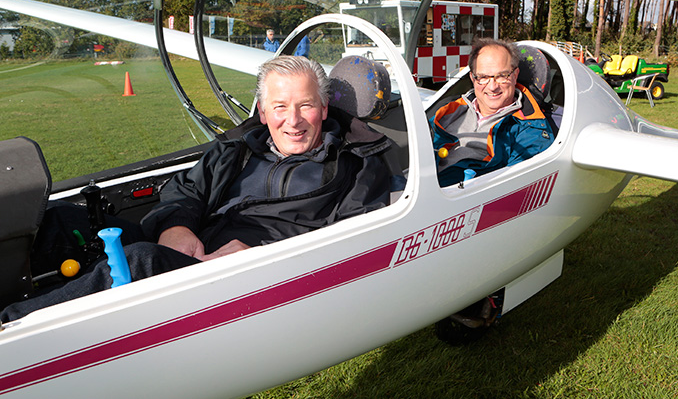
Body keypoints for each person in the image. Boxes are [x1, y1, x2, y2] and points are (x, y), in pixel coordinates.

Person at [1, 56, 393, 322]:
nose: (293, 121)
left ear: (324, 109)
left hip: (256, 278)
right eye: (279, 107)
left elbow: (351, 244)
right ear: (261, 110)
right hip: (193, 251)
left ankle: (11, 331)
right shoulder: (236, 149)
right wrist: (176, 228)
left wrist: (257, 257)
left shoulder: (355, 166)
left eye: (306, 106)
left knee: (141, 262)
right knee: (67, 219)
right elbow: (183, 191)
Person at [429, 38, 555, 187]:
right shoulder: (449, 109)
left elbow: (511, 191)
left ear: (515, 76)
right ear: (472, 78)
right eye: (483, 77)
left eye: (502, 76)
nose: (492, 86)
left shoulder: (532, 132)